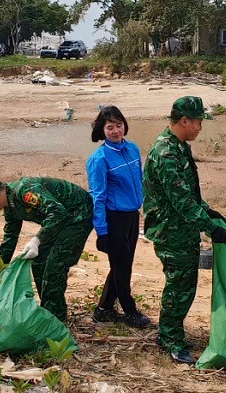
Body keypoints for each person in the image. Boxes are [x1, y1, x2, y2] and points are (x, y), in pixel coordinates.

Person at [143, 96, 226, 364]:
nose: (200, 128)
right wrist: (209, 228)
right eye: (198, 122)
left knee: (182, 285)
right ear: (184, 121)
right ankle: (170, 339)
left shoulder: (179, 147)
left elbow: (188, 192)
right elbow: (181, 202)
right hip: (171, 231)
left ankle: (167, 331)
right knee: (179, 287)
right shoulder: (166, 153)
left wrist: (207, 210)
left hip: (181, 229)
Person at [0, 173, 93, 322]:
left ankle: (56, 319)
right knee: (38, 260)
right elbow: (10, 237)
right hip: (58, 221)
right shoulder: (9, 206)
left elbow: (57, 212)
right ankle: (48, 309)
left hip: (77, 215)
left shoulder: (25, 191)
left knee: (55, 264)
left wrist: (37, 240)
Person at [86, 105, 150, 328]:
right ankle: (130, 311)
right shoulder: (99, 159)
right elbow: (98, 197)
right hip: (114, 219)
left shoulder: (132, 149)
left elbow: (142, 181)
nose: (115, 131)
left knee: (122, 264)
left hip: (132, 215)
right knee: (123, 267)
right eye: (110, 127)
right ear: (102, 130)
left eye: (119, 125)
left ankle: (103, 309)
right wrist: (101, 231)